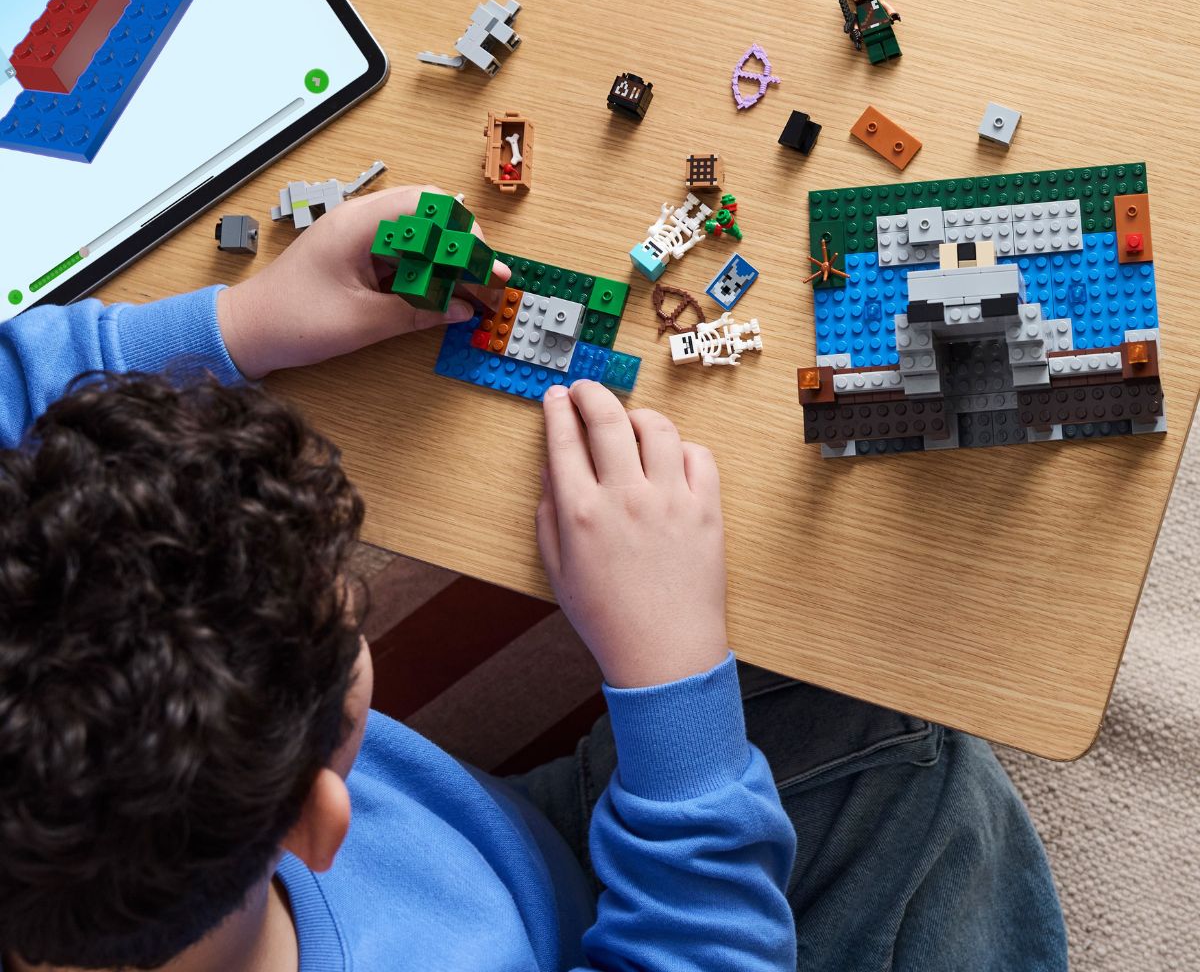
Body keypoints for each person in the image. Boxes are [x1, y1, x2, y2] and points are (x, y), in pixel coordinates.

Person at [0, 185, 1068, 971]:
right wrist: (669, 667)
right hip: (603, 933)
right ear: (320, 818)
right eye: (345, 614)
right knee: (933, 781)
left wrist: (234, 326)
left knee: (870, 714)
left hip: (496, 843)